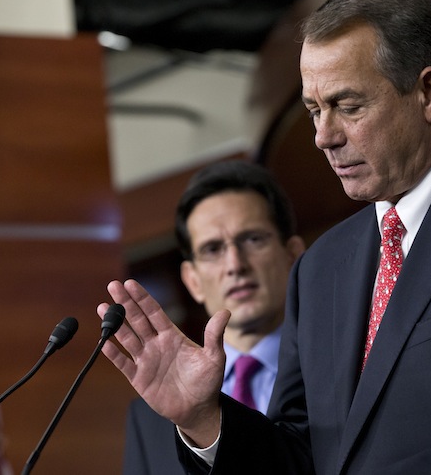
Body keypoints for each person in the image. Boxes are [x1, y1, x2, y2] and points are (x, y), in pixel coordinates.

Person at [99, 0, 431, 474]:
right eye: (312, 111)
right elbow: (303, 458)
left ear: (428, 94)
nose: (324, 136)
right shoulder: (322, 266)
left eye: (346, 107)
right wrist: (206, 419)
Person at [120, 160, 305, 474]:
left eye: (253, 239)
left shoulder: (338, 368)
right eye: (212, 249)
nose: (235, 264)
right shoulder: (149, 417)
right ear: (192, 280)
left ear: (293, 255)